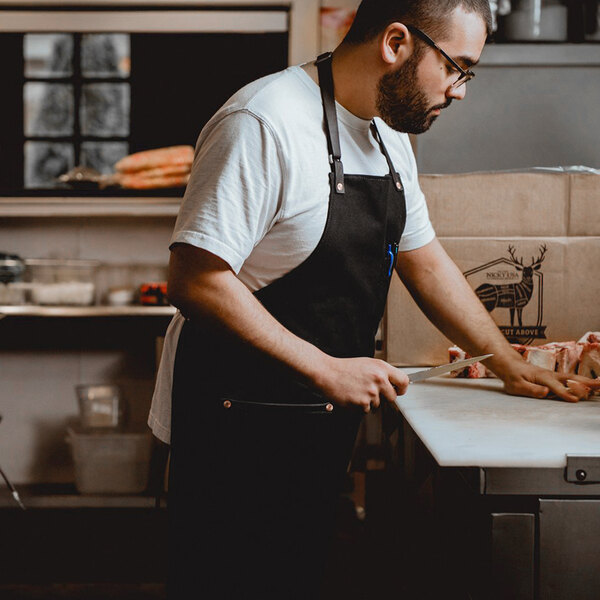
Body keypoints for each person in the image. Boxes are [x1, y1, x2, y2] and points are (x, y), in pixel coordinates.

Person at [149, 1, 600, 598]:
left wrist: (505, 361)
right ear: (395, 43)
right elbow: (197, 278)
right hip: (236, 422)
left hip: (313, 419)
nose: (461, 91)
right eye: (458, 68)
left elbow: (424, 256)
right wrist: (326, 368)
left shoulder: (385, 131)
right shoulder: (264, 121)